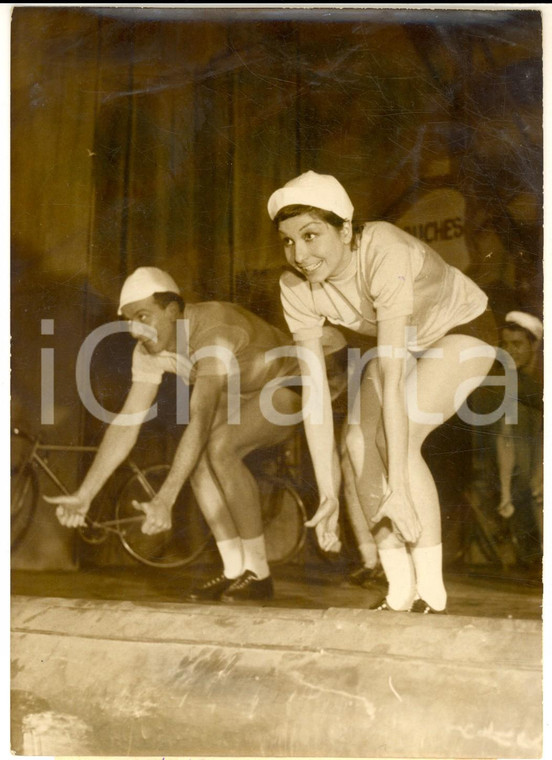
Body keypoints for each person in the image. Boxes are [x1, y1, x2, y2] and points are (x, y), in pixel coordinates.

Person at [267, 170, 497, 613]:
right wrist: (329, 491)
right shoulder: (294, 287)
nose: (300, 253)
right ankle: (398, 589)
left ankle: (431, 592)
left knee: (400, 438)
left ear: (346, 229)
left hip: (462, 330)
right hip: (405, 344)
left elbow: (392, 378)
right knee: (355, 443)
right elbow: (314, 394)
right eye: (289, 241)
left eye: (311, 235)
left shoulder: (384, 249)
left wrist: (399, 489)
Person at [45, 267, 302, 603]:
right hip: (242, 390)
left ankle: (259, 575)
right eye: (128, 322)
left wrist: (165, 499)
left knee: (221, 448)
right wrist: (85, 494)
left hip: (290, 382)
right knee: (196, 464)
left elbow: (200, 418)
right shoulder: (150, 349)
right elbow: (126, 422)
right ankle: (234, 570)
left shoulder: (213, 331)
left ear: (172, 310)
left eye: (142, 316)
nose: (136, 330)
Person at [494, 311, 543, 565]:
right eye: (506, 344)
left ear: (534, 345)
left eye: (518, 345)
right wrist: (505, 492)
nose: (510, 351)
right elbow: (506, 437)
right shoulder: (512, 382)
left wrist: (541, 473)